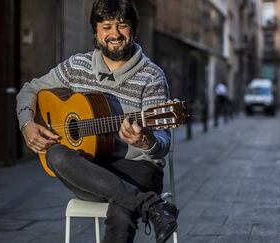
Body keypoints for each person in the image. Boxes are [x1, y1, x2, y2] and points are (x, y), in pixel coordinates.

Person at [15, 0, 178, 242]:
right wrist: (27, 124)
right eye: (106, 26)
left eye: (122, 25)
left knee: (121, 213)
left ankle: (139, 202)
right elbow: (29, 89)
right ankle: (152, 206)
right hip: (90, 171)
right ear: (95, 31)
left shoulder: (151, 75)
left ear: (133, 28)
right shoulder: (77, 66)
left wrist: (146, 140)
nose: (115, 34)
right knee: (56, 155)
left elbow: (163, 140)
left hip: (137, 169)